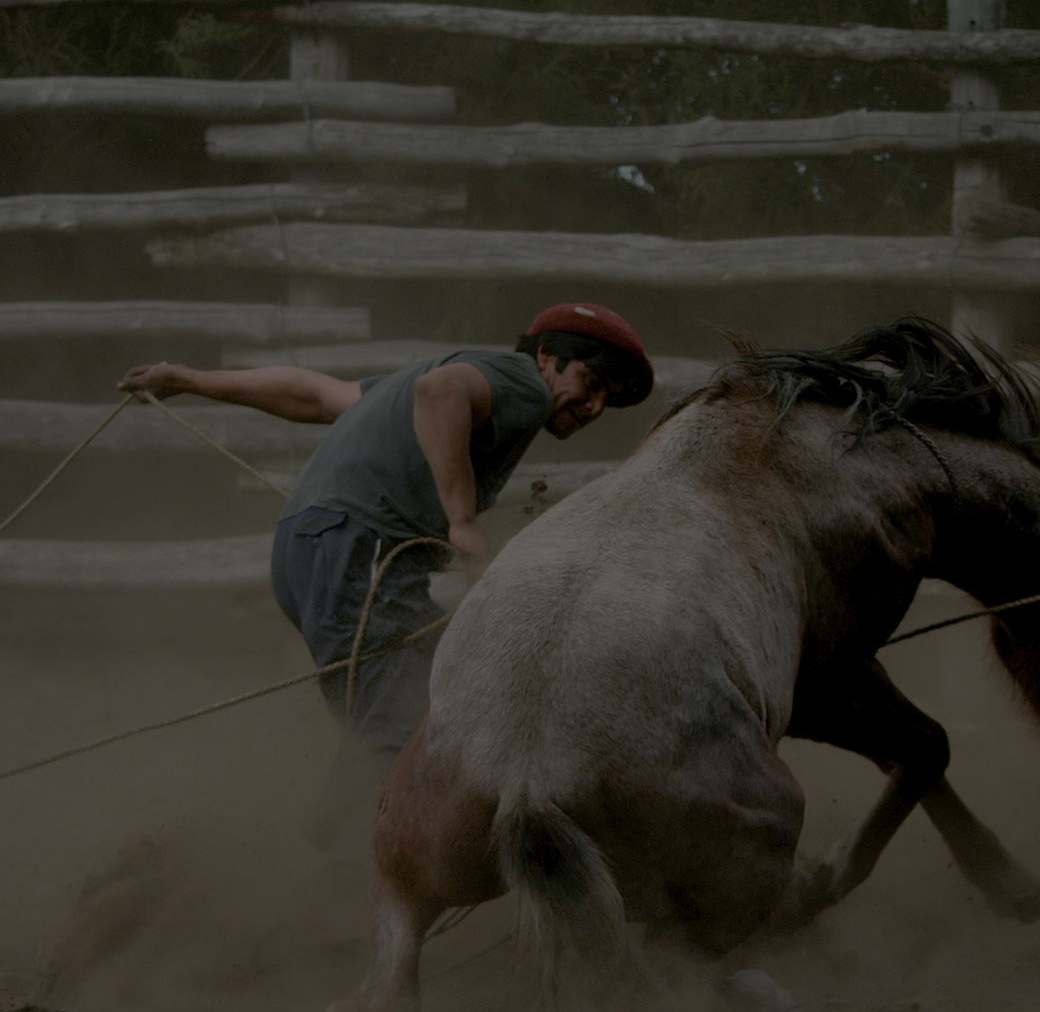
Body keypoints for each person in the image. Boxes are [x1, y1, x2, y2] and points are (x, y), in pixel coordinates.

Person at [119, 302, 654, 844]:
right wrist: (463, 523)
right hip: (359, 553)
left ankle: (334, 833)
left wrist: (187, 379)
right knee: (402, 728)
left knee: (444, 698)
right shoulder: (523, 385)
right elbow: (439, 394)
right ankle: (341, 894)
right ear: (547, 357)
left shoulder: (469, 373)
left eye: (608, 398)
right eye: (590, 382)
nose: (593, 405)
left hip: (313, 547)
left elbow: (317, 395)